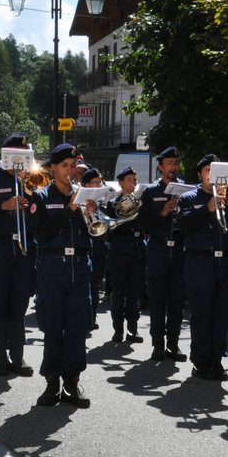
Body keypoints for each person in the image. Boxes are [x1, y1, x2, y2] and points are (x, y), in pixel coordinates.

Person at [32, 143, 95, 408]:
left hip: (79, 267)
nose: (70, 172)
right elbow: (42, 234)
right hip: (52, 269)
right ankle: (52, 383)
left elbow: (96, 233)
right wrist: (70, 210)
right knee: (53, 327)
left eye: (73, 167)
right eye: (64, 167)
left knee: (78, 329)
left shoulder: (83, 195)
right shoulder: (41, 197)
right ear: (53, 169)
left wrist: (90, 213)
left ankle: (72, 382)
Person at [177, 153, 228, 381]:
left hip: (226, 262)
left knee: (222, 314)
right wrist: (207, 208)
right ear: (200, 174)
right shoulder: (188, 198)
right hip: (200, 262)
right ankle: (200, 361)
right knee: (202, 314)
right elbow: (183, 224)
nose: (212, 175)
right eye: (208, 170)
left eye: (215, 171)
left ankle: (216, 359)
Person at [0, 134, 40, 376]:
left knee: (19, 303)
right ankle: (0, 357)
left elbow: (38, 210)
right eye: (18, 151)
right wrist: (4, 204)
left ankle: (19, 356)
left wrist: (30, 188)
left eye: (26, 152)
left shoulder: (31, 179)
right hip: (0, 247)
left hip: (24, 247)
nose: (22, 156)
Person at [138, 146, 187, 363]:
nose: (173, 167)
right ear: (160, 167)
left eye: (176, 163)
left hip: (179, 252)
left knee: (176, 302)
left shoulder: (188, 190)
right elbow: (142, 224)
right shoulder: (150, 192)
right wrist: (162, 213)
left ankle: (173, 345)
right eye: (169, 163)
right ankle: (158, 345)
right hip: (158, 253)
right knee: (157, 301)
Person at [107, 165, 145, 345]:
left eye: (135, 180)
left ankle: (132, 329)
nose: (133, 183)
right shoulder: (113, 203)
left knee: (134, 292)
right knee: (118, 292)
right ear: (121, 182)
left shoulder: (141, 201)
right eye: (130, 180)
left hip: (137, 248)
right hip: (118, 249)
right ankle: (117, 330)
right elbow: (108, 226)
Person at [81, 167, 109, 329]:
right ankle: (84, 316)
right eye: (95, 183)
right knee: (84, 284)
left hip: (99, 247)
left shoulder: (103, 201)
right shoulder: (78, 200)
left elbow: (107, 224)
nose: (99, 185)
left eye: (100, 182)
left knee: (95, 284)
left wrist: (96, 210)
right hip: (84, 247)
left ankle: (92, 316)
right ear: (86, 184)